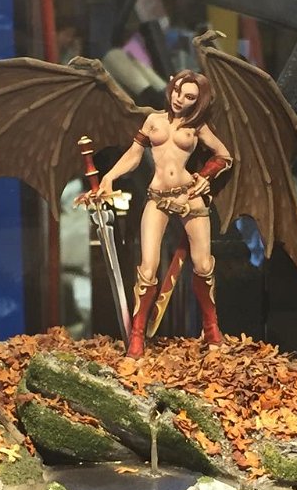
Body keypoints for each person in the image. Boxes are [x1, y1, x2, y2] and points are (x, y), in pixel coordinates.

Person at [89, 70, 232, 358]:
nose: (180, 99)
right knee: (148, 268)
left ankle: (212, 329)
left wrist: (206, 176)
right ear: (171, 87)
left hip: (189, 198)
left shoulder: (197, 126)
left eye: (189, 96)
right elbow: (134, 154)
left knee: (203, 265)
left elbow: (224, 156)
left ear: (198, 101)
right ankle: (137, 337)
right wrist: (110, 176)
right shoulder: (153, 120)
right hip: (157, 198)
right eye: (178, 91)